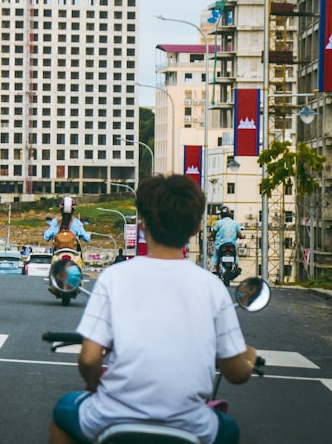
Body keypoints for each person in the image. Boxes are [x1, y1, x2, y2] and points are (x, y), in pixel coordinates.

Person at [49, 174, 258, 444]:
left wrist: (94, 386)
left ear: (142, 222)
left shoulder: (113, 278)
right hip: (192, 425)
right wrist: (249, 355)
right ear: (196, 228)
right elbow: (236, 372)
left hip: (112, 417)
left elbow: (89, 359)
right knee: (229, 429)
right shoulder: (213, 287)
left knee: (64, 411)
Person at [211, 206, 244, 272]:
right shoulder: (235, 223)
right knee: (235, 253)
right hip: (232, 245)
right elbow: (240, 235)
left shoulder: (218, 223)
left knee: (216, 253)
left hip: (220, 245)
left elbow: (213, 233)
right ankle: (237, 266)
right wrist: (241, 237)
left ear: (221, 215)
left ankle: (214, 267)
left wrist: (209, 236)